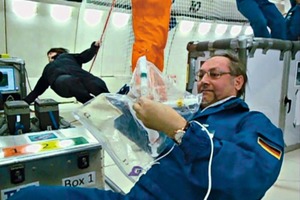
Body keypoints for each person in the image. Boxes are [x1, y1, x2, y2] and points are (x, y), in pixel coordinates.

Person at [9, 52, 284, 200]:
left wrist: (181, 130)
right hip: (140, 194)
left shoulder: (254, 124)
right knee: (27, 196)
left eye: (214, 74)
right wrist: (130, 109)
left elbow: (250, 179)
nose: (203, 81)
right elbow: (149, 146)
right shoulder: (193, 114)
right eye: (200, 74)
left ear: (238, 82)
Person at [23, 41, 109, 105]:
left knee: (96, 82)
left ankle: (111, 102)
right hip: (61, 81)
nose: (49, 55)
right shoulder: (48, 68)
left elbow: (84, 56)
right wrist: (25, 102)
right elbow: (38, 89)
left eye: (51, 53)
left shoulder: (68, 56)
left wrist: (94, 47)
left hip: (79, 75)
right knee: (69, 81)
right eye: (48, 55)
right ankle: (92, 103)